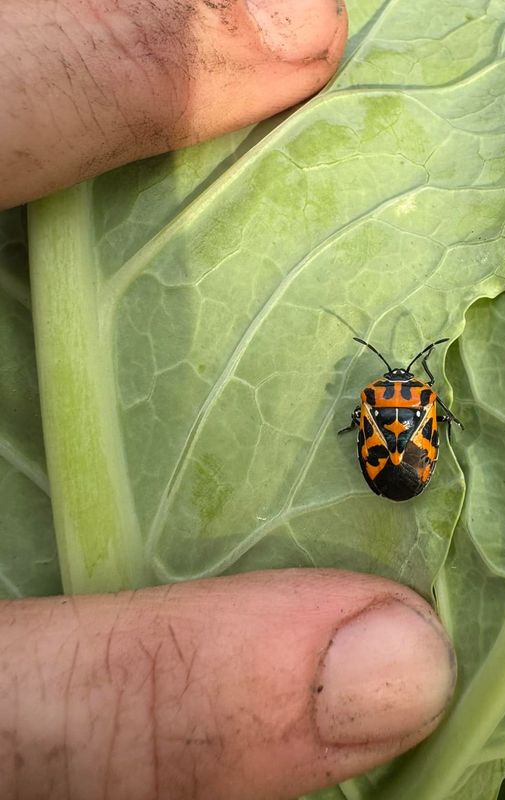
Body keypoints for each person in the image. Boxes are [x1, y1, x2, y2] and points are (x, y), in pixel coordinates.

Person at [0, 1, 456, 797]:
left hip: (395, 470)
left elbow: (378, 429)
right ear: (406, 400)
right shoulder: (408, 407)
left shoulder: (387, 406)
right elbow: (413, 431)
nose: (398, 401)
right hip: (400, 475)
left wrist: (386, 433)